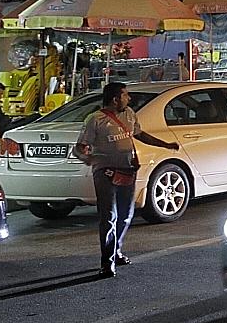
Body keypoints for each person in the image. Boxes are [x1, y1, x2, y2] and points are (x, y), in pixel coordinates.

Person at [73, 81, 180, 277]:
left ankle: (116, 250)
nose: (129, 98)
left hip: (128, 171)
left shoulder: (129, 113)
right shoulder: (95, 120)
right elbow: (79, 147)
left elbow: (140, 134)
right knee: (109, 217)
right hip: (106, 173)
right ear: (115, 99)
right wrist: (87, 158)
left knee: (125, 215)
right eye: (125, 95)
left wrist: (165, 145)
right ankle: (107, 262)